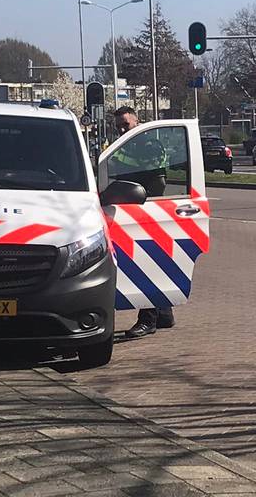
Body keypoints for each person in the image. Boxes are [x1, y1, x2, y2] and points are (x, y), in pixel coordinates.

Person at [110, 106, 175, 339]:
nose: (121, 129)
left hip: (148, 210)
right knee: (151, 262)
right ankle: (164, 313)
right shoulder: (121, 145)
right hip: (132, 209)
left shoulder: (149, 145)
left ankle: (148, 319)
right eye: (118, 125)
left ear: (137, 122)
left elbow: (153, 180)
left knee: (146, 264)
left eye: (125, 124)